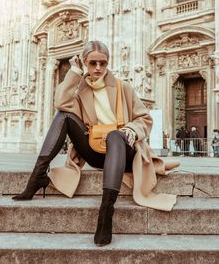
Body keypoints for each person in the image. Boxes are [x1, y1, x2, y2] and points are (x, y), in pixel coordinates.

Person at [12, 40, 178, 246]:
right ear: (84, 63)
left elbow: (144, 119)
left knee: (115, 135)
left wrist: (131, 130)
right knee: (64, 116)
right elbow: (61, 104)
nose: (98, 68)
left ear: (107, 63)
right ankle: (37, 177)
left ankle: (106, 212)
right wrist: (73, 72)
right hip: (96, 151)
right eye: (92, 64)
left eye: (102, 63)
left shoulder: (122, 86)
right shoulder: (81, 90)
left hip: (124, 152)